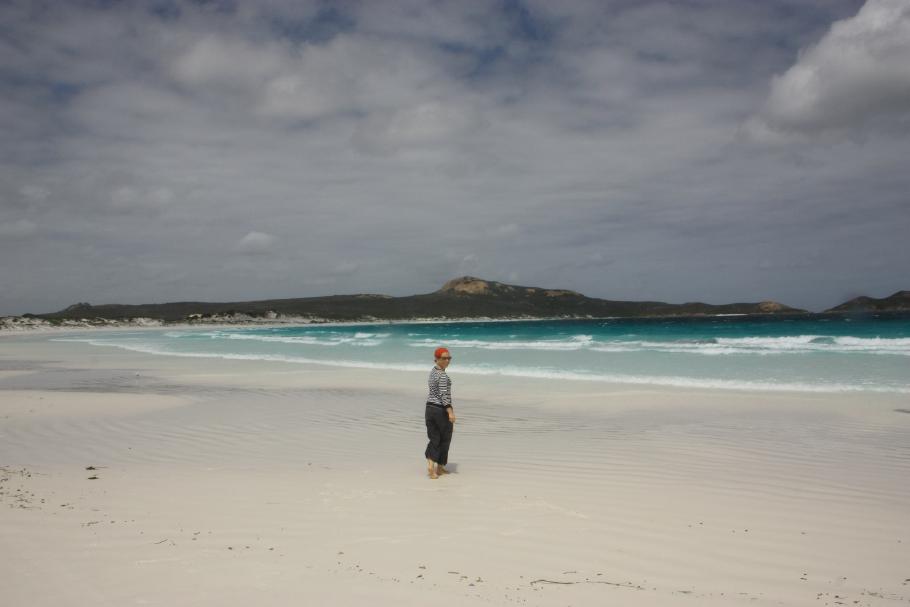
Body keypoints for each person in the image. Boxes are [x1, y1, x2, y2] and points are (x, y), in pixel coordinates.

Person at [425, 347, 455, 479]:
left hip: (429, 408)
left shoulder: (433, 372)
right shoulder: (442, 375)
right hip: (440, 410)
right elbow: (443, 395)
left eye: (449, 358)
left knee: (434, 438)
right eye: (444, 358)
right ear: (436, 359)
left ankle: (431, 466)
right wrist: (450, 412)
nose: (447, 360)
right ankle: (441, 467)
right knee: (445, 439)